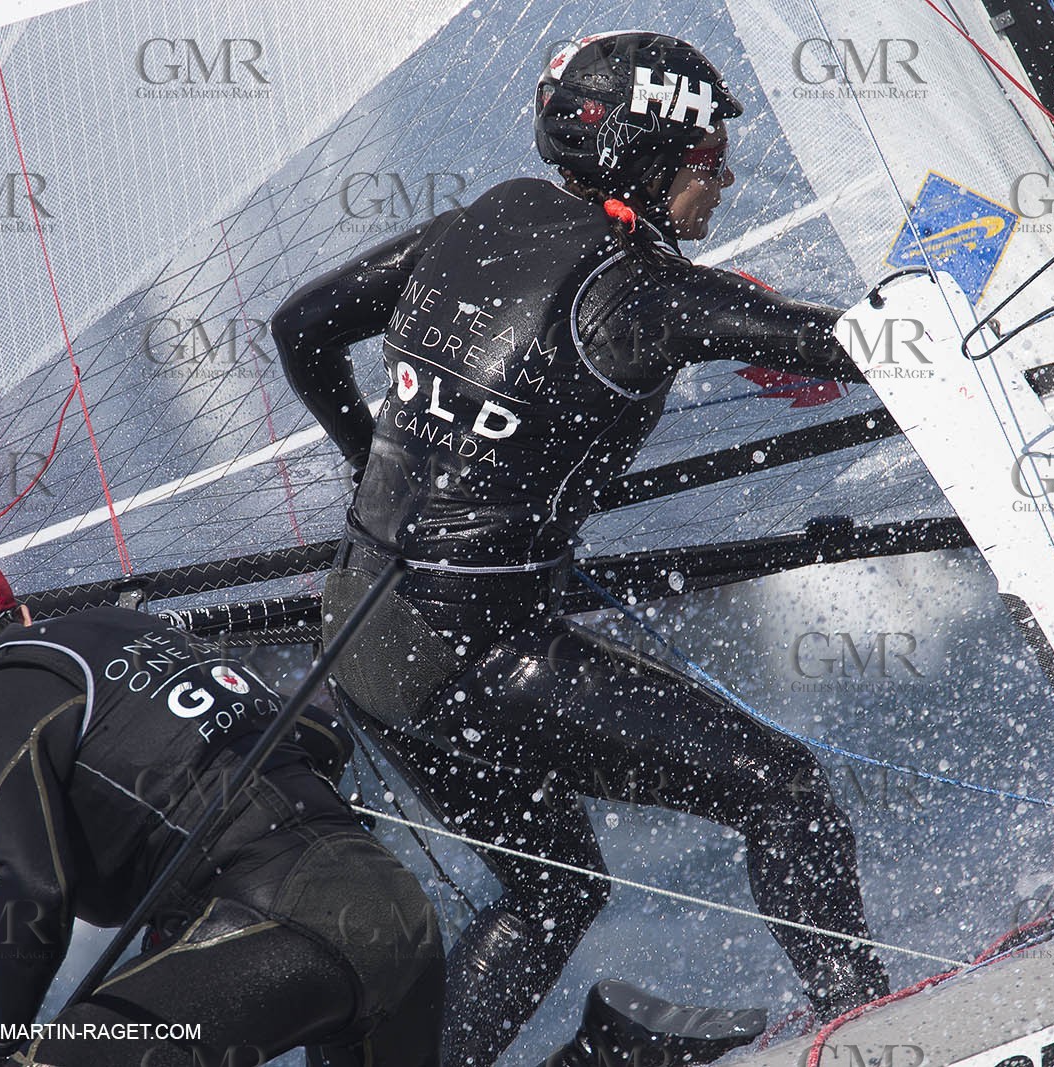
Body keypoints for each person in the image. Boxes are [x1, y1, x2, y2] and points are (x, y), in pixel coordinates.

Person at [272, 30, 889, 1067]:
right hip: (475, 654)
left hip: (363, 629)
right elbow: (865, 345)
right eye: (704, 162)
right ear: (644, 156)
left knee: (554, 884)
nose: (723, 179)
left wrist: (365, 465)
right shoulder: (643, 291)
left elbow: (301, 327)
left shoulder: (496, 215)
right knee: (782, 789)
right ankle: (882, 1030)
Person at [0, 546, 444, 1067]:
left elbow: (36, 892)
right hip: (398, 914)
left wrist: (3, 1048)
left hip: (280, 928)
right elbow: (320, 739)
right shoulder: (133, 626)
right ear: (20, 616)